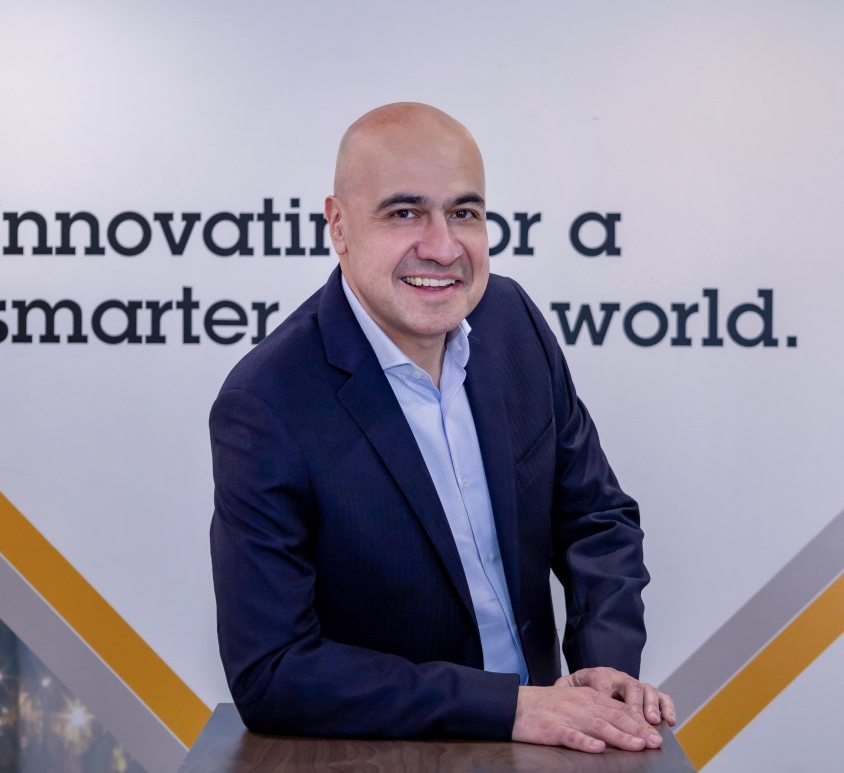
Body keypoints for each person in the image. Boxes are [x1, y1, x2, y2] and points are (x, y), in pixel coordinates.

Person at [210, 102, 676, 753]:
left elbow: (596, 517)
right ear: (338, 226)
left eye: (464, 212)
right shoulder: (268, 402)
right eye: (404, 213)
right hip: (395, 755)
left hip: (550, 743)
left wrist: (605, 666)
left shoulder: (511, 320)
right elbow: (273, 671)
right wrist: (506, 707)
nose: (442, 246)